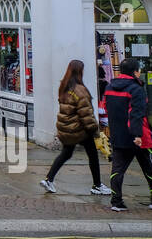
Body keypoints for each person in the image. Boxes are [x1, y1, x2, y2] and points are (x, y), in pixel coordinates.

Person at [105, 58, 152, 211]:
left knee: (117, 170)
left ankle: (116, 202)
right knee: (151, 168)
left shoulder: (109, 87)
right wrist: (137, 135)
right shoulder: (136, 89)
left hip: (118, 135)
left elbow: (107, 109)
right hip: (140, 137)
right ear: (135, 72)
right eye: (139, 70)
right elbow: (136, 113)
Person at [40, 60, 110, 195]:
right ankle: (97, 185)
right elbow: (86, 114)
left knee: (66, 153)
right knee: (93, 156)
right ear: (80, 72)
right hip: (80, 130)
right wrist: (96, 132)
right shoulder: (80, 90)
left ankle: (49, 179)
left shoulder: (64, 87)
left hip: (67, 129)